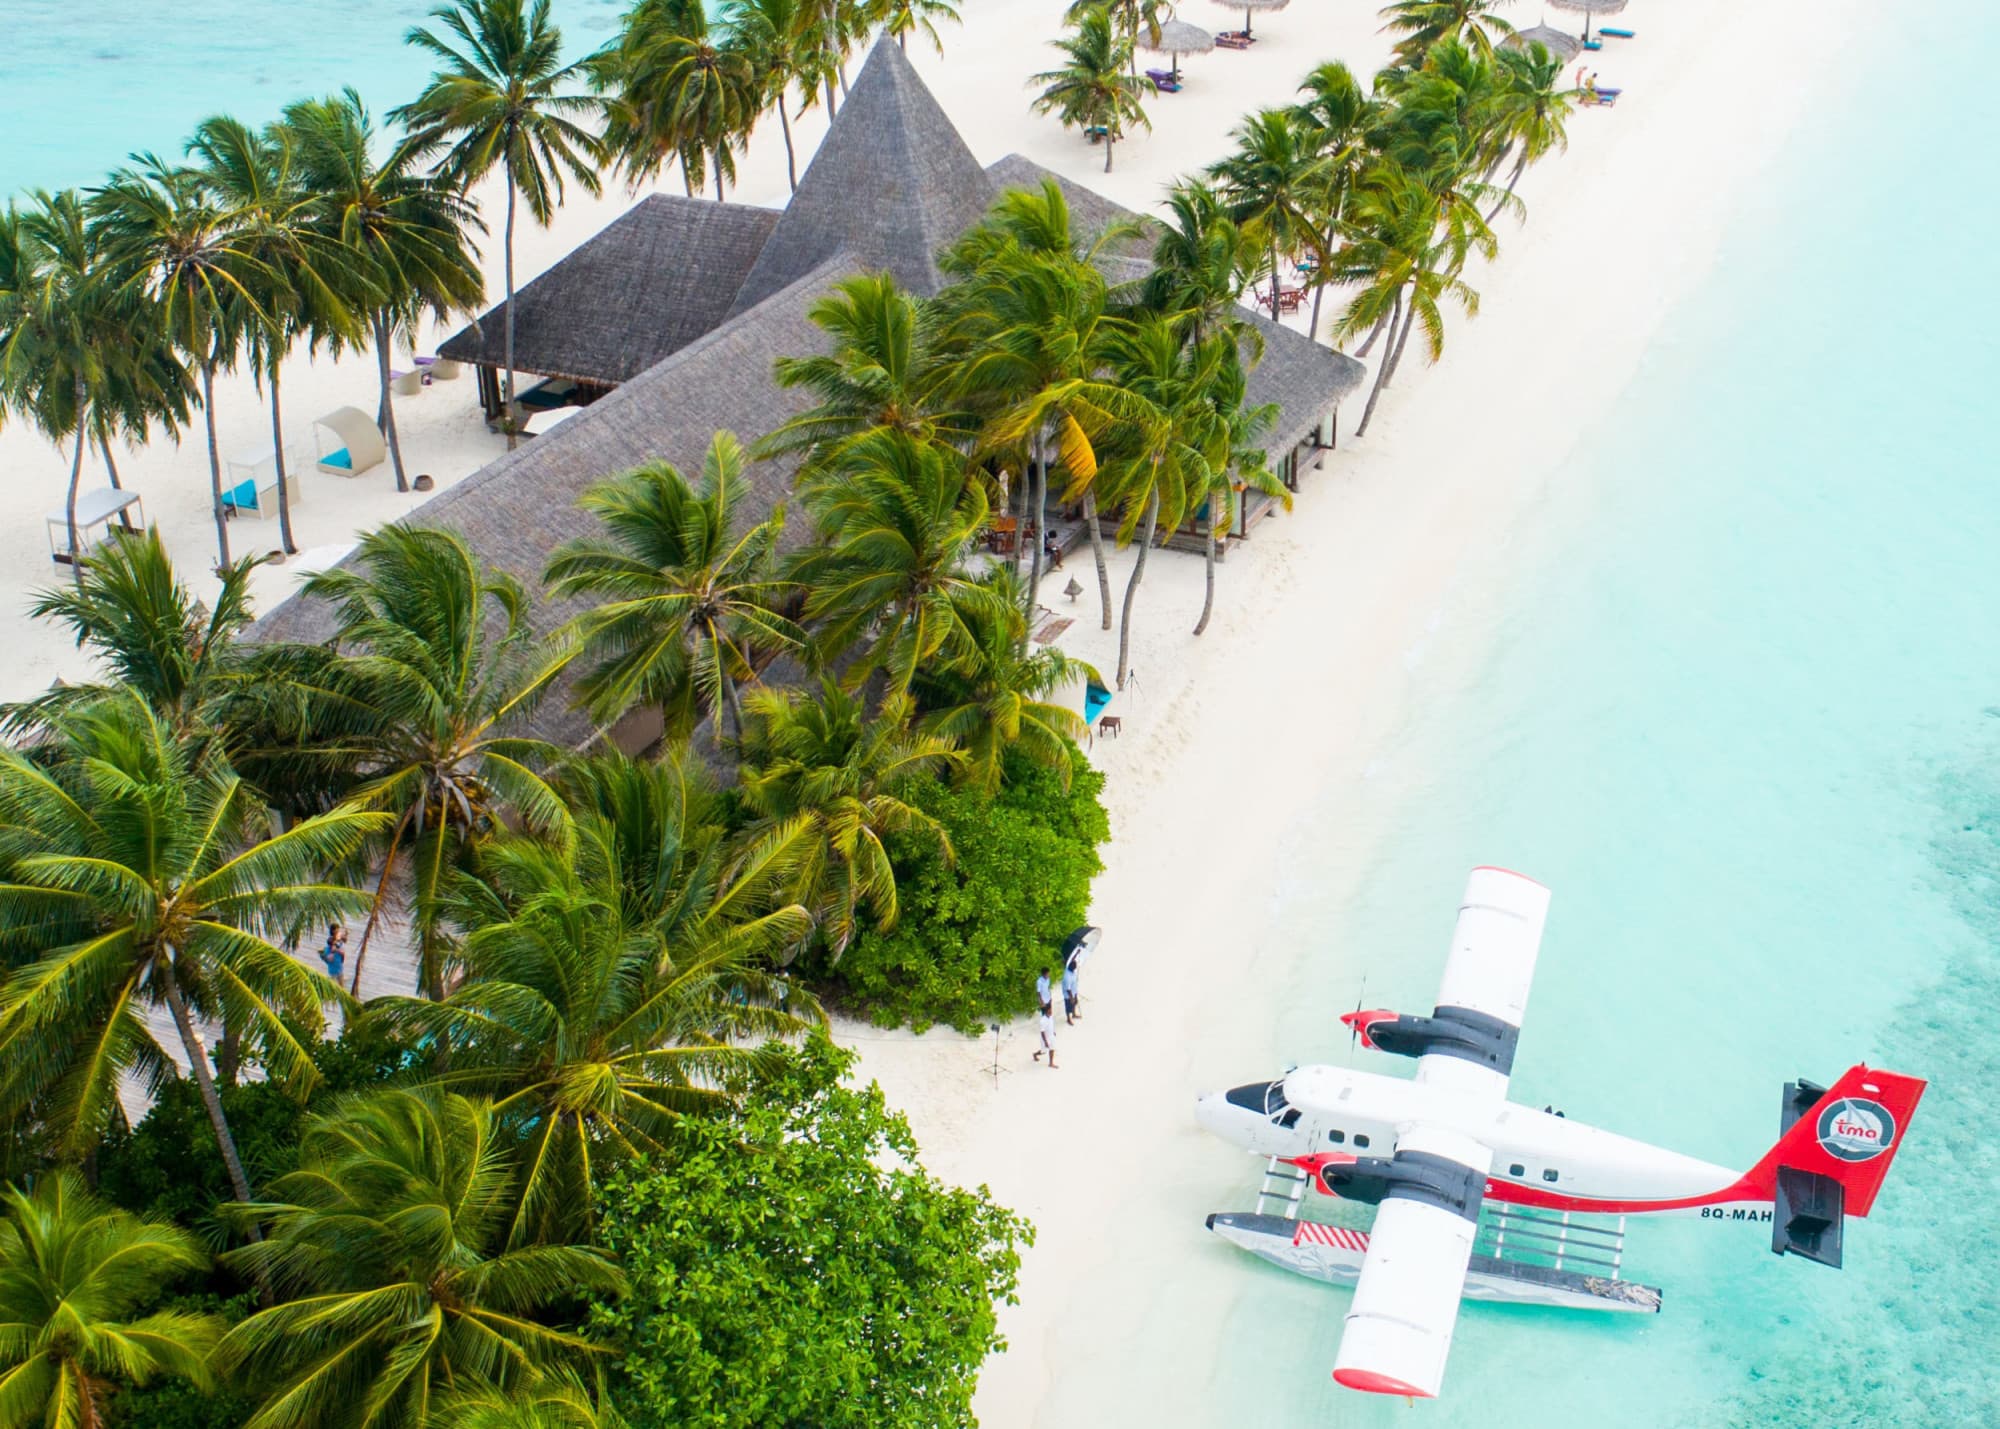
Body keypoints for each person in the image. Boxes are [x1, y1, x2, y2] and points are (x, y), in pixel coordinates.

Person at [1061, 957, 1081, 1025]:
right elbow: (1068, 989)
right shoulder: (1067, 976)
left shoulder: (1071, 970)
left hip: (1074, 991)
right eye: (1075, 966)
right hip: (1068, 995)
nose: (1076, 967)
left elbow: (1072, 959)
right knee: (1068, 1007)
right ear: (1072, 967)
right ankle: (1068, 1019)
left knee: (1075, 1003)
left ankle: (1074, 1014)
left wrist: (1077, 953)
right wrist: (1071, 998)